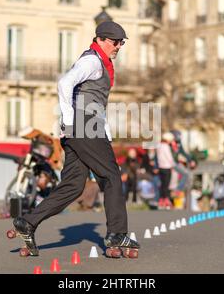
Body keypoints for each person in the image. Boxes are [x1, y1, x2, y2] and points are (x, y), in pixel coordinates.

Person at [11, 21, 139, 256]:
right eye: (114, 42)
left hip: (85, 127)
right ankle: (117, 234)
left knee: (72, 185)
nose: (118, 46)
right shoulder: (91, 61)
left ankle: (28, 222)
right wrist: (69, 121)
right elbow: (64, 83)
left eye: (121, 42)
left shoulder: (101, 62)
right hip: (83, 126)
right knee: (111, 175)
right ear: (100, 39)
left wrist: (102, 131)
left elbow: (96, 103)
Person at [156, 132, 176, 210]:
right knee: (167, 185)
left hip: (161, 167)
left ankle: (161, 200)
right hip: (167, 167)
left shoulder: (159, 146)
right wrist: (173, 165)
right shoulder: (166, 146)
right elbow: (169, 157)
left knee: (162, 184)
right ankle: (166, 200)